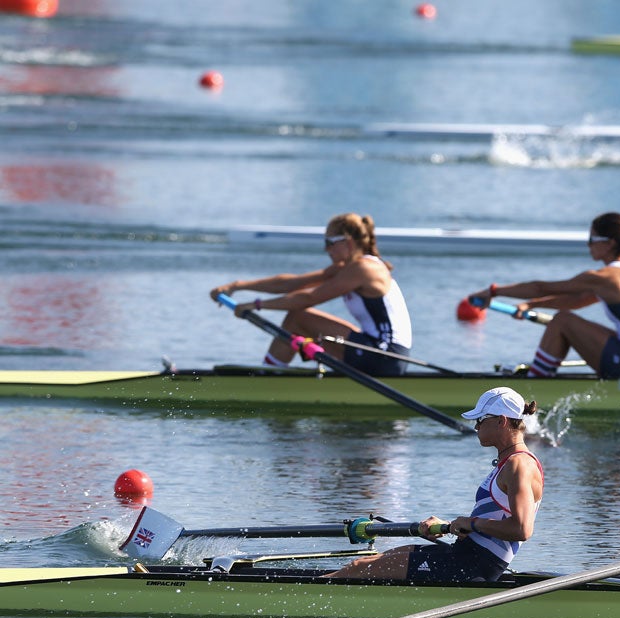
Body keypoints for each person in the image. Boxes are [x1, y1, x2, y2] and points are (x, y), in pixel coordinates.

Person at [325, 387, 544, 582]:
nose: (476, 426)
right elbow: (492, 521)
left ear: (501, 421)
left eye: (480, 419)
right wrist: (450, 525)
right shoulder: (509, 462)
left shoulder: (519, 465)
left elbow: (521, 529)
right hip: (464, 555)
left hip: (473, 567)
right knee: (374, 560)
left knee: (359, 568)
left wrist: (471, 523)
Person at [468, 212, 620, 378]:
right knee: (568, 317)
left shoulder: (611, 276)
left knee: (562, 321)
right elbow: (577, 301)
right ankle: (541, 376)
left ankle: (535, 384)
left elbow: (543, 287)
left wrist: (494, 291)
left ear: (610, 242)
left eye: (592, 239)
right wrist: (530, 305)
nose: (588, 245)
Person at [210, 212, 413, 375]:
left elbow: (309, 298)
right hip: (378, 350)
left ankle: (268, 379)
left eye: (329, 242)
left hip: (385, 356)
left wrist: (256, 305)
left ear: (348, 242)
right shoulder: (347, 267)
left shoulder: (363, 269)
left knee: (298, 318)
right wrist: (237, 285)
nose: (326, 249)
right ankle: (273, 375)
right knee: (301, 323)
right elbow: (293, 283)